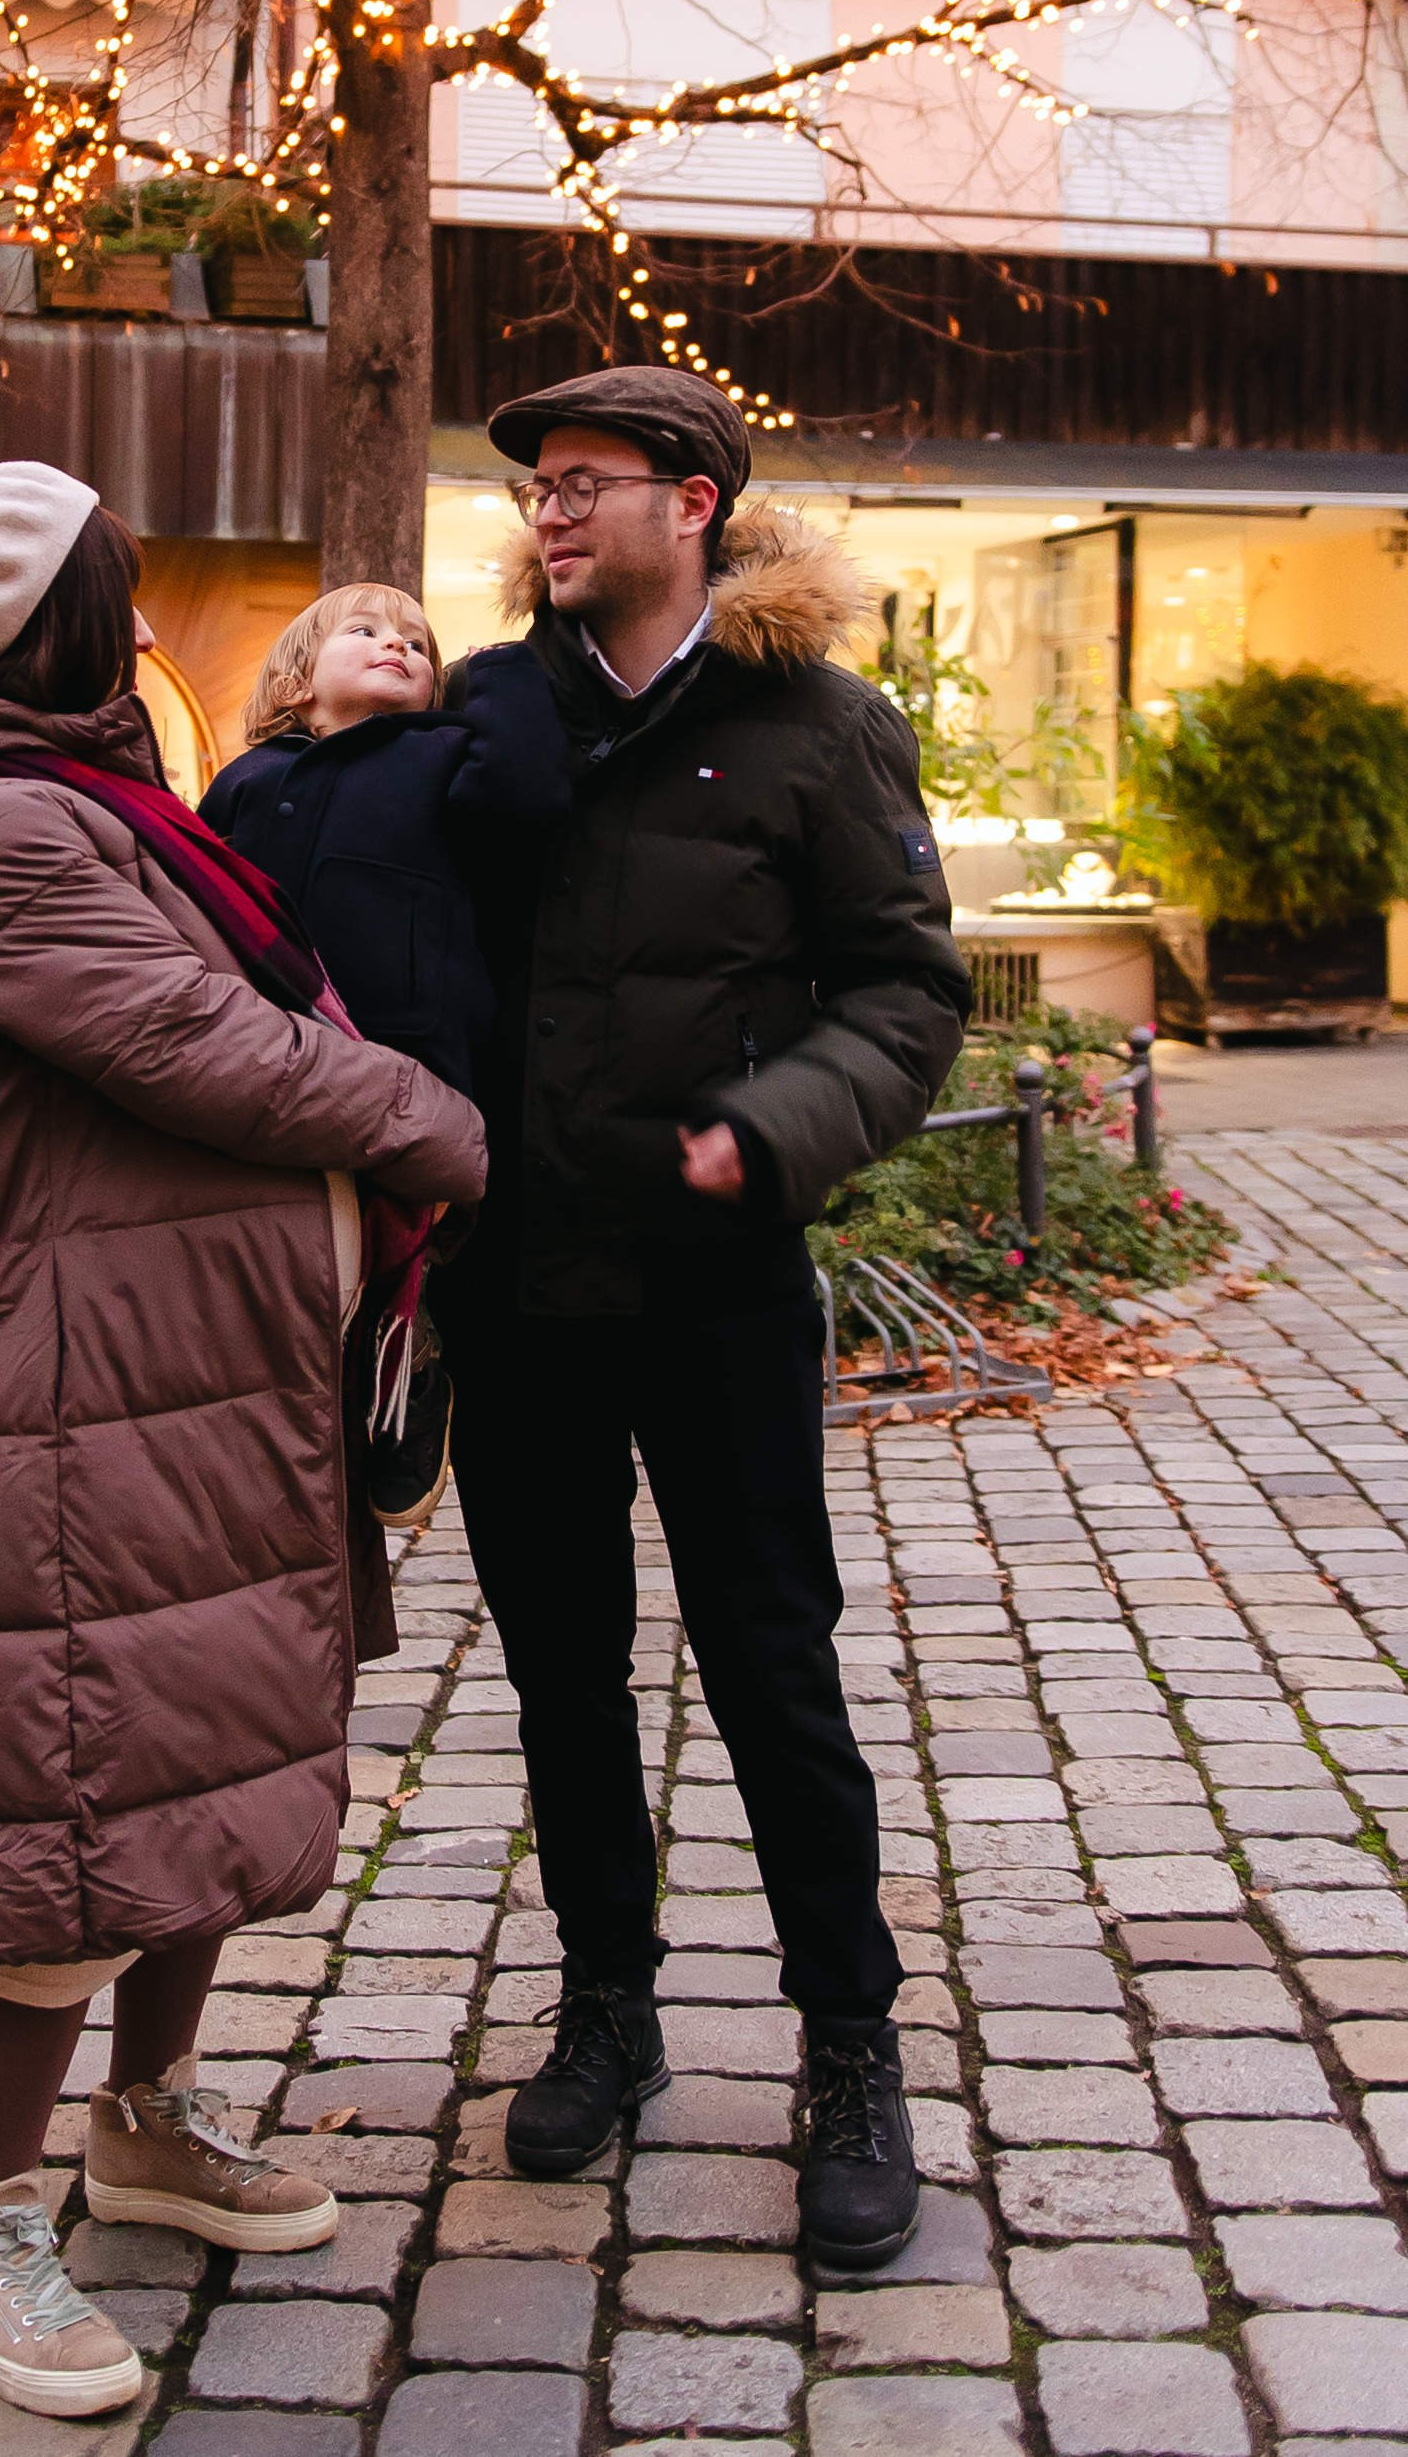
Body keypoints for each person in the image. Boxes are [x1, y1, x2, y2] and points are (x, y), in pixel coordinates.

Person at [0, 461, 485, 2420]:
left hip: (170, 1383)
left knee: (187, 1761)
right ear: (60, 622)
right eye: (123, 590)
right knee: (70, 1806)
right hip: (45, 1403)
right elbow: (203, 1046)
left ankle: (150, 2126)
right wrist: (422, 1120)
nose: (152, 617)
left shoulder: (88, 792)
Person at [440, 367, 969, 2274]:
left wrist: (772, 1123)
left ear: (693, 498)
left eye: (584, 484)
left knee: (771, 1667)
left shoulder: (821, 729)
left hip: (718, 1290)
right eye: (537, 491)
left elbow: (907, 995)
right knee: (563, 1670)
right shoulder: (487, 710)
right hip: (517, 1286)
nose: (549, 515)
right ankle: (609, 2004)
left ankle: (848, 2046)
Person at [199, 583, 569, 1098]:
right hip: (257, 1045)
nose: (398, 645)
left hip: (408, 1063)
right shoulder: (250, 776)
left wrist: (504, 673)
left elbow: (523, 789)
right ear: (294, 684)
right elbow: (196, 888)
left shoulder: (442, 753)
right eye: (365, 631)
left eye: (417, 646)